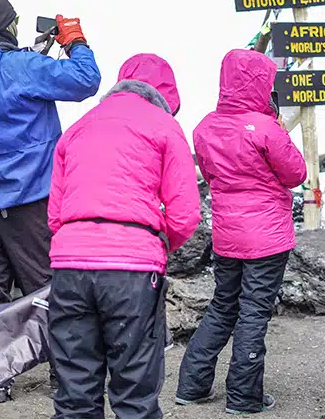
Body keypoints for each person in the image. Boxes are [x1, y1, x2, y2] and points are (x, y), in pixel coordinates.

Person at [0, 0, 101, 400]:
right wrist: (74, 41)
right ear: (9, 22)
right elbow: (86, 80)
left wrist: (33, 57)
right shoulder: (23, 66)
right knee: (47, 284)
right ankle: (65, 376)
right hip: (29, 193)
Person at [48, 54, 201, 419]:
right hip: (131, 269)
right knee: (135, 387)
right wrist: (158, 247)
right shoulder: (164, 126)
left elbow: (55, 214)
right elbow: (185, 213)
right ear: (166, 96)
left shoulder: (79, 127)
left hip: (70, 265)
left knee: (74, 388)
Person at [176, 49, 307, 414]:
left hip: (227, 234)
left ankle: (192, 384)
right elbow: (296, 174)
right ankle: (244, 396)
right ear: (260, 84)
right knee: (253, 313)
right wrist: (275, 126)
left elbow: (211, 172)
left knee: (223, 306)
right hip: (266, 237)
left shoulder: (204, 127)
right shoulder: (265, 128)